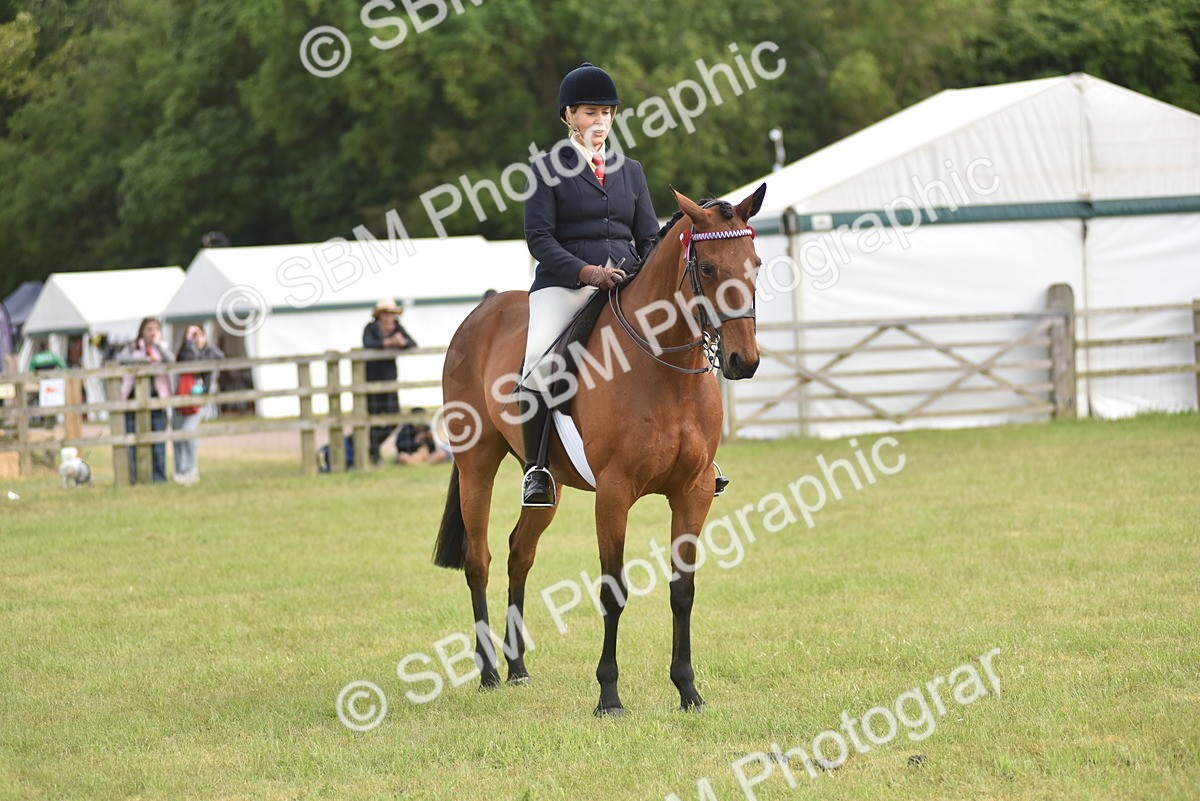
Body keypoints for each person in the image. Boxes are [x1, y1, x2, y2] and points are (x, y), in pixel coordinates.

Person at [519, 62, 659, 507]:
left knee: (683, 337)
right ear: (568, 117)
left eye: (606, 113)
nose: (599, 121)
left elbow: (649, 236)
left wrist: (645, 273)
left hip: (625, 283)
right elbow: (539, 238)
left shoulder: (631, 170)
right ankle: (538, 470)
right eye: (588, 113)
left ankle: (696, 456)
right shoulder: (544, 169)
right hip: (565, 287)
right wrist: (586, 272)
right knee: (538, 363)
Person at [115, 317, 174, 484]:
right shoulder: (132, 348)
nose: (152, 332)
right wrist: (145, 360)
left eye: (155, 329)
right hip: (133, 399)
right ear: (142, 331)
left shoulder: (163, 347)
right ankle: (135, 477)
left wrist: (158, 347)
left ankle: (159, 478)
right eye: (149, 329)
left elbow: (171, 360)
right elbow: (121, 359)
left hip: (156, 399)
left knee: (158, 442)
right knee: (133, 441)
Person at [363, 298, 417, 465]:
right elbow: (367, 343)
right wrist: (388, 343)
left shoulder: (397, 328)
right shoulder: (371, 328)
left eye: (391, 314)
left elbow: (412, 343)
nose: (389, 317)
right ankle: (374, 453)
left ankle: (373, 447)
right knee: (374, 417)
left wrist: (401, 342)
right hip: (372, 379)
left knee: (394, 417)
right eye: (386, 314)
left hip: (390, 380)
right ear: (379, 315)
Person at [172, 324, 224, 485]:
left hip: (196, 403)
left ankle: (191, 470)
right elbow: (183, 358)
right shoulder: (184, 353)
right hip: (180, 401)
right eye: (192, 335)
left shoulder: (210, 352)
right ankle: (180, 471)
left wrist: (200, 345)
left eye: (199, 334)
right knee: (178, 437)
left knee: (189, 433)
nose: (196, 338)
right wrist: (188, 343)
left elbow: (219, 356)